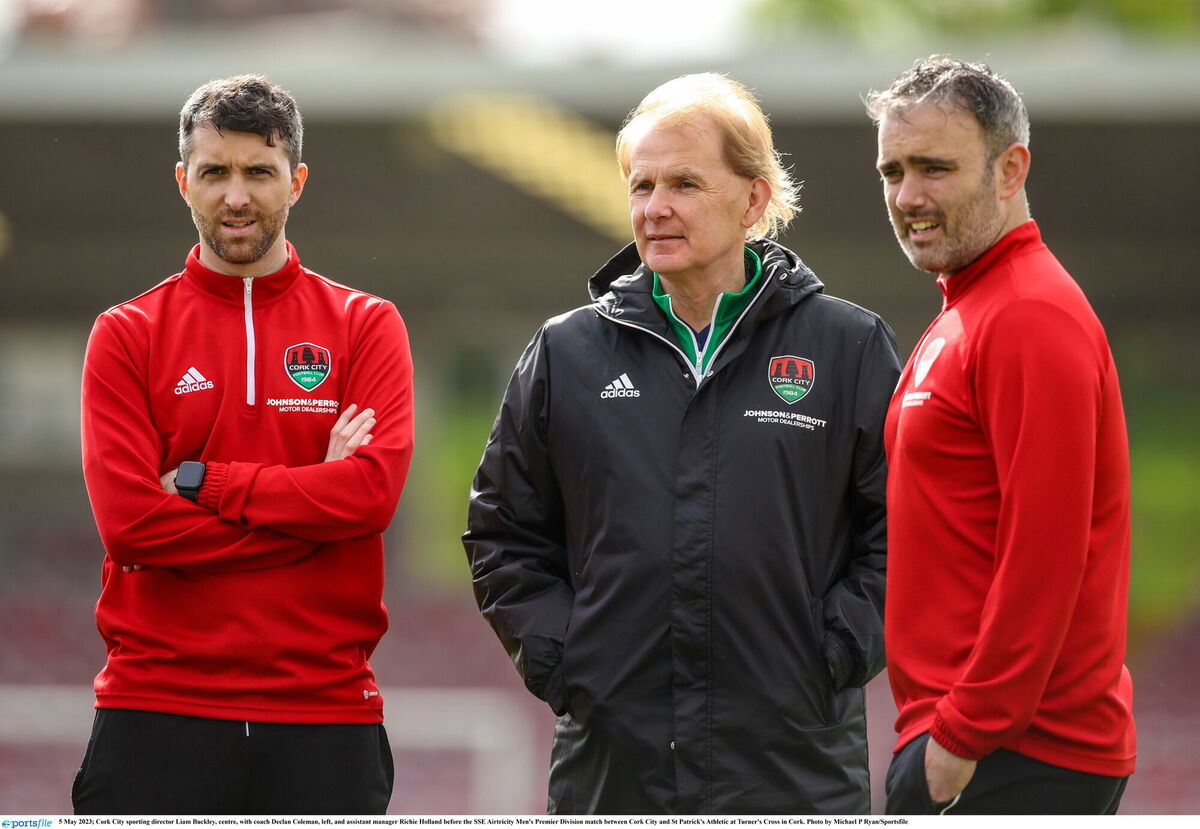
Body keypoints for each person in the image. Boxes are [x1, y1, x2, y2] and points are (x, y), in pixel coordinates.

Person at [463, 73, 900, 814]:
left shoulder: (849, 346)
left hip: (794, 767)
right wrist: (571, 662)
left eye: (685, 183)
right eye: (642, 186)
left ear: (754, 199)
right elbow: (501, 533)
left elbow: (905, 532)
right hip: (614, 769)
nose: (655, 207)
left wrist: (831, 654)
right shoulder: (566, 353)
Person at [76, 75, 414, 814]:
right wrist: (312, 511)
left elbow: (370, 497)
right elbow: (131, 526)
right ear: (182, 182)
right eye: (215, 172)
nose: (236, 196)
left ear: (295, 180)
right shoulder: (127, 333)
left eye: (258, 172)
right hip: (156, 705)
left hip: (326, 712)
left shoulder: (366, 325)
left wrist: (209, 483)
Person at [866, 56, 1136, 814]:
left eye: (933, 168)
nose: (907, 196)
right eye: (892, 170)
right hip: (983, 744)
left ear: (1010, 168)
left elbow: (1047, 549)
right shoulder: (969, 311)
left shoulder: (1028, 314)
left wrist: (963, 734)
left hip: (1013, 752)